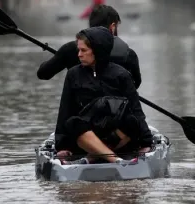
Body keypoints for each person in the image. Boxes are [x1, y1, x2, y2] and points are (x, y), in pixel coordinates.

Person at [54, 26, 154, 165]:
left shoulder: (121, 75)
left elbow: (137, 110)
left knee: (132, 121)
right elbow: (65, 110)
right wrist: (62, 146)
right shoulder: (73, 75)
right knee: (72, 123)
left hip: (116, 136)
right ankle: (116, 160)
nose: (79, 55)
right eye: (79, 50)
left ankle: (93, 157)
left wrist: (146, 143)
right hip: (86, 136)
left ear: (97, 51)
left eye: (84, 50)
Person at [37, 4, 142, 89]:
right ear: (112, 27)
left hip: (81, 112)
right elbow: (135, 84)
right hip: (118, 112)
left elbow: (43, 74)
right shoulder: (129, 54)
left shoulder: (70, 50)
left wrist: (59, 57)